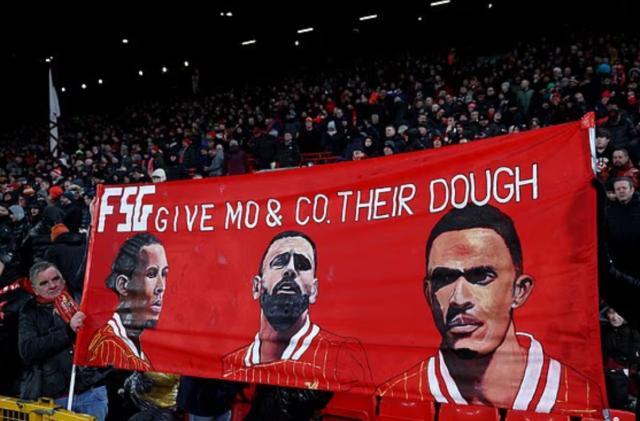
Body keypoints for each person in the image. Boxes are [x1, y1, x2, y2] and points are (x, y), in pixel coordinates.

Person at [376, 205, 603, 415]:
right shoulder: (396, 393)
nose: (459, 298)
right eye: (444, 278)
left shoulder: (579, 395)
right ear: (428, 294)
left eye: (481, 276)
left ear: (519, 290)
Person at [222, 230, 371, 391]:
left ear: (313, 291)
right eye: (279, 261)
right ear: (256, 287)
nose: (290, 269)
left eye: (302, 264)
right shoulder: (231, 364)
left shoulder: (341, 356)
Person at [19, 261, 108, 420]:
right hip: (55, 397)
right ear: (34, 288)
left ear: (63, 279)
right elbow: (28, 350)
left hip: (91, 391)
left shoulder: (82, 297)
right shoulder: (29, 312)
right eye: (44, 283)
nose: (52, 285)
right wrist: (68, 331)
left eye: (56, 279)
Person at [87, 233, 168, 371]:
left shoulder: (132, 346)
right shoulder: (109, 347)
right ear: (123, 285)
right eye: (151, 274)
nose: (161, 287)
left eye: (164, 274)